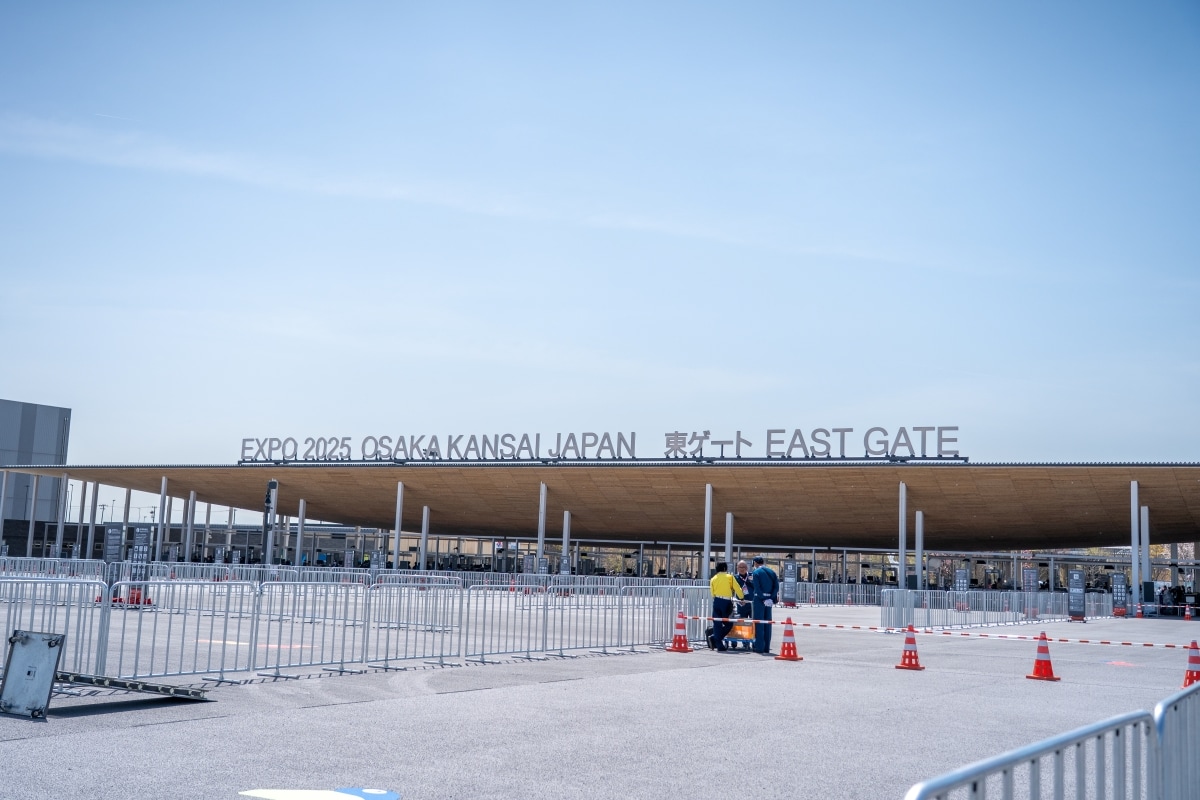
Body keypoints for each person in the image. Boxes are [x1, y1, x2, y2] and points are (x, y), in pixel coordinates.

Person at [708, 561, 744, 652]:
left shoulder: (713, 578)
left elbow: (712, 593)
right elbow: (737, 589)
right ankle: (715, 638)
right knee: (729, 623)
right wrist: (742, 598)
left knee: (717, 624)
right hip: (726, 602)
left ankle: (718, 642)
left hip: (716, 601)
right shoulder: (730, 577)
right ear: (725, 569)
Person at [750, 556, 780, 655]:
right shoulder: (772, 572)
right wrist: (770, 598)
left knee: (759, 624)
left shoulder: (756, 573)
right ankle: (767, 647)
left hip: (759, 600)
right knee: (768, 624)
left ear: (755, 563)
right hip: (769, 600)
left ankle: (759, 647)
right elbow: (776, 587)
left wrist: (763, 598)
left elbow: (757, 588)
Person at [733, 560, 754, 649]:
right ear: (737, 568)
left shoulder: (752, 576)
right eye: (740, 567)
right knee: (742, 623)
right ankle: (744, 642)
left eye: (744, 567)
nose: (742, 569)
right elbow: (732, 591)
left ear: (747, 568)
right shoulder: (735, 578)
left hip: (752, 604)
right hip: (741, 605)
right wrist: (736, 600)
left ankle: (753, 642)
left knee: (753, 623)